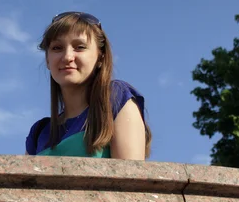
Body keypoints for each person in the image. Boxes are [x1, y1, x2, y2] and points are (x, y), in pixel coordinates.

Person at [25, 12, 151, 159]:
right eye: (57, 48)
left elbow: (131, 179)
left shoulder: (116, 98)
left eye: (79, 47)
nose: (67, 57)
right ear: (47, 59)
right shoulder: (40, 132)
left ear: (100, 57)